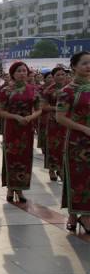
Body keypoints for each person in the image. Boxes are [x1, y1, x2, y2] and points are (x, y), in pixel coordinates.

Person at [0, 61, 42, 203]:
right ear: (12, 74)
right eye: (19, 71)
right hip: (12, 128)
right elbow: (0, 111)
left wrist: (30, 117)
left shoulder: (33, 89)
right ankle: (11, 187)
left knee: (25, 157)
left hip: (27, 128)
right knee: (11, 156)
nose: (22, 74)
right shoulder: (6, 91)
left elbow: (39, 109)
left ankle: (21, 189)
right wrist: (15, 116)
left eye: (24, 71)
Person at [56, 51, 90, 234]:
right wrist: (83, 129)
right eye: (84, 63)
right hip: (77, 141)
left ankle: (84, 214)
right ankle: (76, 215)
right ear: (74, 66)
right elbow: (60, 117)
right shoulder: (67, 91)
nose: (88, 66)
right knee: (76, 178)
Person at [42, 67, 67, 182]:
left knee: (63, 145)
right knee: (52, 145)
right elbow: (44, 107)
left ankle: (61, 169)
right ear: (53, 76)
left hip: (67, 121)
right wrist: (57, 108)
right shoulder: (48, 91)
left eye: (63, 74)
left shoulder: (69, 89)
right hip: (53, 121)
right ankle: (51, 169)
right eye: (58, 75)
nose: (61, 77)